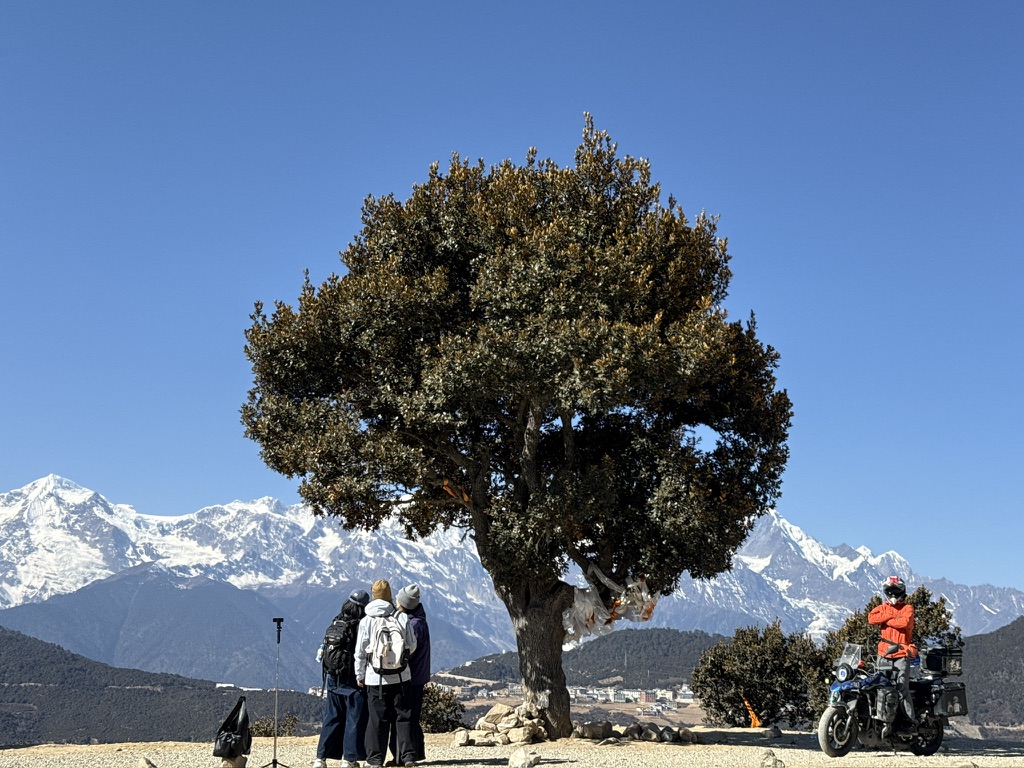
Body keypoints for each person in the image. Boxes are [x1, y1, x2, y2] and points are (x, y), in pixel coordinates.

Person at [355, 579, 417, 768]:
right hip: (401, 675)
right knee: (403, 717)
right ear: (390, 596)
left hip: (376, 678)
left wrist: (360, 674)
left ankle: (375, 759)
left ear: (373, 596)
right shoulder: (401, 618)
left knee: (377, 719)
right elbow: (412, 645)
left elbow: (360, 652)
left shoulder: (366, 621)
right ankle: (406, 757)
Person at [314, 589, 370, 768]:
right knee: (354, 718)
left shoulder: (337, 620)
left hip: (333, 677)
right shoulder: (360, 624)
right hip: (352, 679)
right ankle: (349, 759)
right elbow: (361, 653)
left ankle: (320, 758)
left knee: (331, 717)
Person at [868, 575, 917, 734]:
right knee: (880, 687)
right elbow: (871, 618)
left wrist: (885, 618)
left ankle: (910, 722)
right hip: (884, 652)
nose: (893, 595)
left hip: (901, 653)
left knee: (902, 688)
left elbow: (903, 622)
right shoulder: (883, 607)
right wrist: (892, 615)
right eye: (890, 592)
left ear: (902, 592)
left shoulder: (908, 608)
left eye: (896, 591)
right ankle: (881, 720)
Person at [393, 584, 431, 763]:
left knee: (407, 715)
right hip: (419, 674)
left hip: (411, 676)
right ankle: (416, 752)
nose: (395, 603)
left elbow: (408, 651)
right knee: (413, 715)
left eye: (398, 600)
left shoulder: (413, 625)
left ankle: (408, 754)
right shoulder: (419, 620)